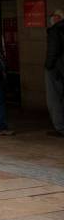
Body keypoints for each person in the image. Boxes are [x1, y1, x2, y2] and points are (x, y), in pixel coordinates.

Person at [45, 9, 64, 137]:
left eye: (53, 16)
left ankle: (60, 128)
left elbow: (53, 50)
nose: (51, 19)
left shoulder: (55, 30)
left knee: (54, 98)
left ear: (58, 18)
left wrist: (48, 66)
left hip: (56, 69)